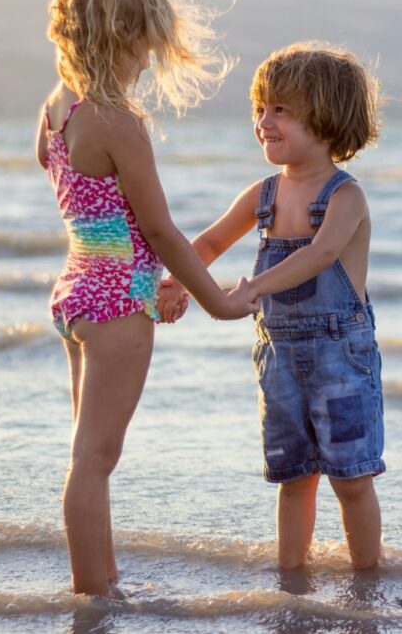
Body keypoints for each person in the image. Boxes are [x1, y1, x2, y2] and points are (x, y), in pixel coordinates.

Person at [35, 0, 257, 596]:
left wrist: (131, 272)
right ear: (122, 39)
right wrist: (216, 299)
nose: (147, 64)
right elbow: (158, 229)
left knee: (88, 457)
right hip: (114, 312)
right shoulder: (118, 123)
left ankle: (100, 579)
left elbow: (70, 189)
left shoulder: (58, 108)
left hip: (76, 295)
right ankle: (94, 593)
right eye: (145, 49)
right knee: (95, 460)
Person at [159, 41, 386, 570]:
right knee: (293, 477)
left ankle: (367, 579)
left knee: (351, 478)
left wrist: (252, 289)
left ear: (326, 119)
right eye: (261, 108)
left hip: (340, 360)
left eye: (281, 109)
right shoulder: (262, 194)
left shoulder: (344, 197)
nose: (264, 121)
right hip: (280, 360)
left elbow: (319, 254)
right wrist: (178, 282)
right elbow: (210, 244)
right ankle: (292, 578)